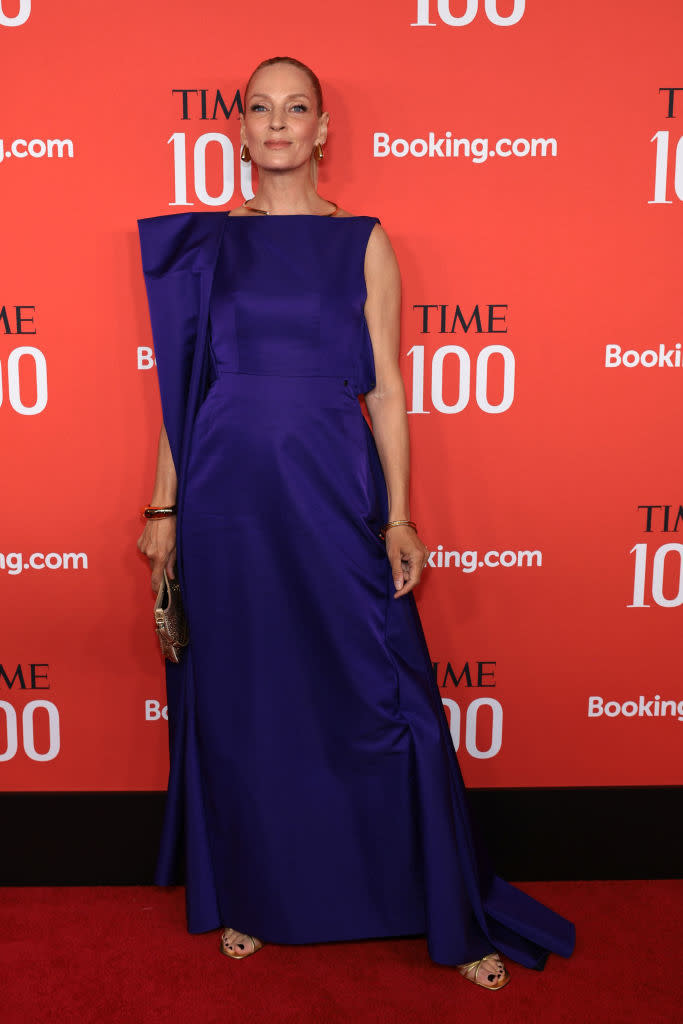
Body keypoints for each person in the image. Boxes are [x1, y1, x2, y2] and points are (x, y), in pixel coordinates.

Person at [136, 56, 574, 990]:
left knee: (382, 688)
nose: (279, 123)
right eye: (261, 109)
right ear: (240, 130)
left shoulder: (364, 241)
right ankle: (251, 892)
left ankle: (438, 902)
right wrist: (163, 505)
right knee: (247, 696)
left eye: (297, 108)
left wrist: (400, 515)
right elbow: (183, 393)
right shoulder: (204, 246)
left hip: (332, 486)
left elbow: (385, 388)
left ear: (324, 129)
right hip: (224, 491)